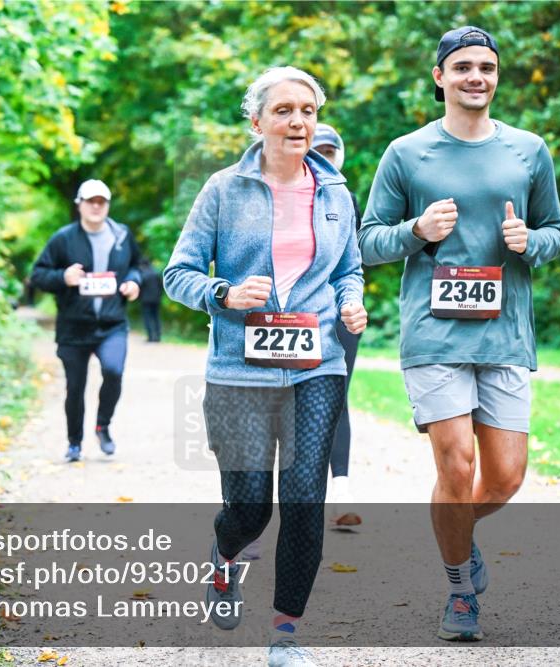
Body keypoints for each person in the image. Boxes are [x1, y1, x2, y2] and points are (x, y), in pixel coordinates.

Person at [358, 26, 560, 641]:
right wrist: (417, 231)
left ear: (496, 77)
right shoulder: (406, 152)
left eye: (487, 67)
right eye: (463, 67)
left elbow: (556, 230)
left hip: (504, 334)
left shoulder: (529, 149)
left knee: (505, 476)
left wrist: (532, 242)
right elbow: (368, 242)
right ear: (440, 77)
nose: (476, 77)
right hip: (434, 334)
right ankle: (458, 589)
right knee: (456, 463)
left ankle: (457, 531)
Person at [164, 66, 366, 667]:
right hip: (239, 372)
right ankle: (225, 560)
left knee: (305, 500)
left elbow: (348, 269)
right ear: (256, 122)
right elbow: (179, 275)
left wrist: (351, 302)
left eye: (306, 110)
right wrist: (224, 293)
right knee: (250, 508)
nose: (297, 121)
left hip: (317, 364)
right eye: (283, 110)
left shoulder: (335, 193)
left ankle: (285, 634)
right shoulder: (223, 190)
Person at [30, 179, 142, 462]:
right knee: (75, 387)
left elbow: (137, 267)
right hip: (73, 327)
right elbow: (38, 274)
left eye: (101, 201)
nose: (95, 206)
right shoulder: (63, 238)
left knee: (114, 371)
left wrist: (133, 283)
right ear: (79, 204)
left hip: (112, 324)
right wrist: (62, 278)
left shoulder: (122, 235)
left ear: (107, 205)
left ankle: (103, 425)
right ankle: (74, 443)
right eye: (89, 201)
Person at [312, 123, 364, 529]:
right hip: (289, 317)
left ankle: (341, 489)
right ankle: (255, 509)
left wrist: (352, 300)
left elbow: (355, 262)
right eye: (318, 150)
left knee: (335, 395)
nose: (323, 157)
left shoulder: (346, 199)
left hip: (339, 315)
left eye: (330, 152)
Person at [138, 258, 163, 342]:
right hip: (156, 299)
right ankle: (158, 337)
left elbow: (140, 288)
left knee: (147, 318)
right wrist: (159, 296)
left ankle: (150, 337)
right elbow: (161, 286)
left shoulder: (143, 274)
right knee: (156, 317)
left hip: (146, 300)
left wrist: (139, 298)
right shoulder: (156, 273)